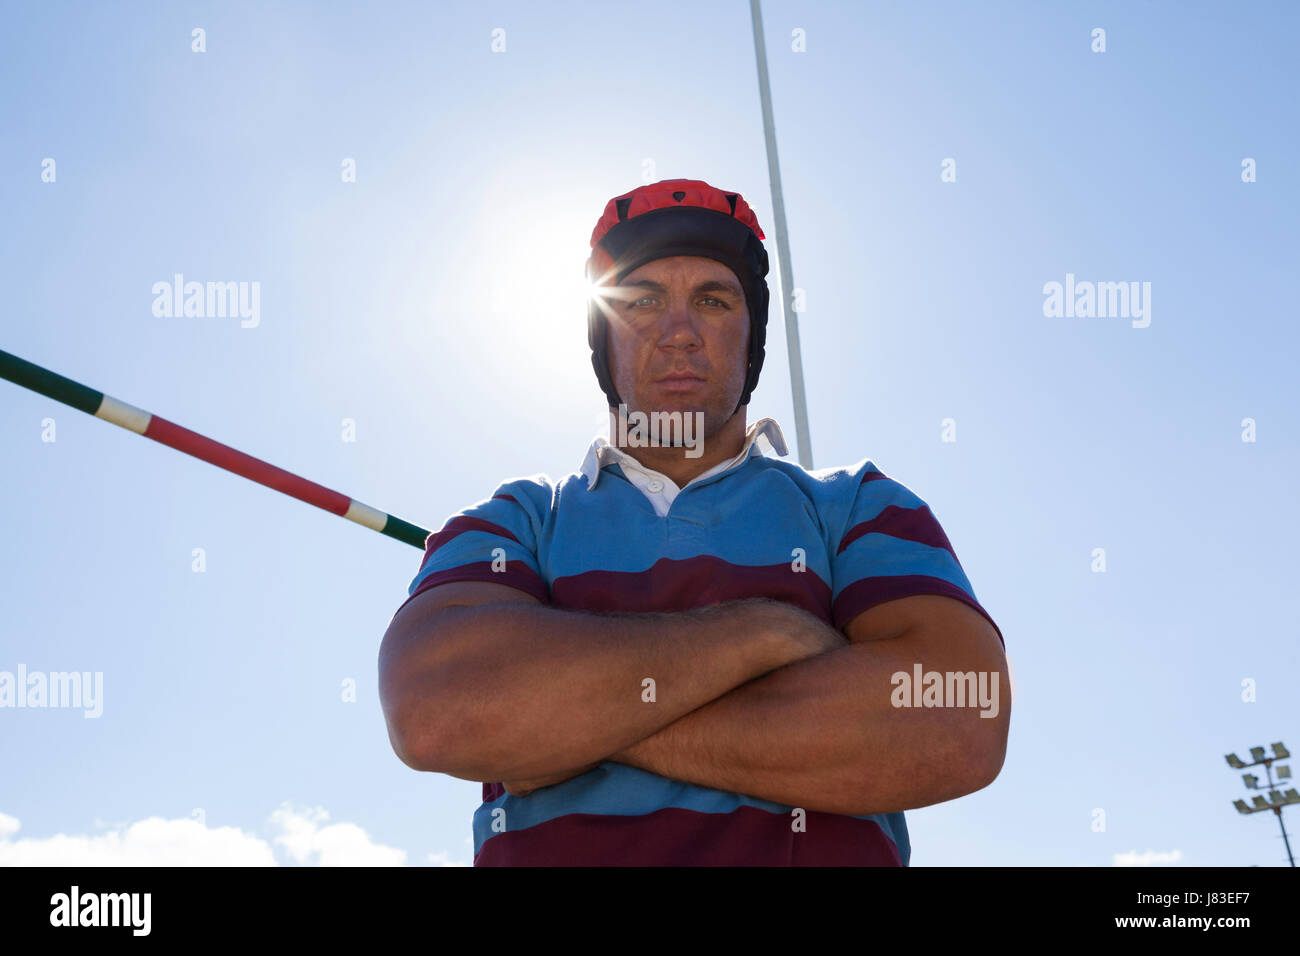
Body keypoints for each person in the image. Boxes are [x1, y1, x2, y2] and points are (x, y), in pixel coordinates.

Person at [378, 178, 1009, 866]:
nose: (678, 332)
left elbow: (959, 717)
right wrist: (767, 633)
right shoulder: (513, 520)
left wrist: (556, 722)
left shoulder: (857, 506)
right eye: (641, 300)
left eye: (712, 299)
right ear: (603, 337)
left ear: (752, 335)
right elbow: (436, 712)